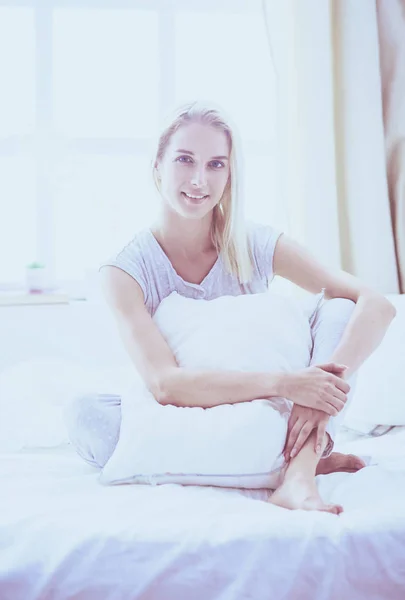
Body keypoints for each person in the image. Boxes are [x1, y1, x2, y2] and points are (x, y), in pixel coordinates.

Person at [65, 100, 396, 515]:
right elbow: (166, 384)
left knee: (341, 312)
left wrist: (316, 394)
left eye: (216, 165)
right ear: (158, 165)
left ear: (230, 174)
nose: (199, 180)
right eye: (184, 160)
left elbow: (376, 305)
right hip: (192, 413)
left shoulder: (255, 243)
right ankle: (295, 463)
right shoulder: (125, 271)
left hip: (265, 414)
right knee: (87, 416)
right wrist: (288, 384)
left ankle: (297, 473)